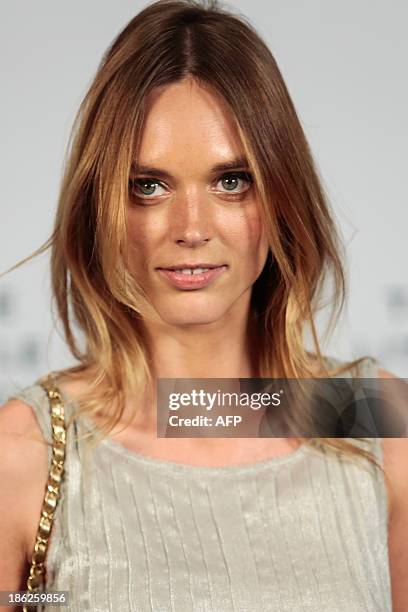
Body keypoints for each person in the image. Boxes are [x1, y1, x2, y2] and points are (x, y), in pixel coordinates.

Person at [0, 1, 407, 610]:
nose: (192, 228)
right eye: (149, 186)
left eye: (231, 180)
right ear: (101, 205)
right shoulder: (23, 456)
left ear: (282, 194)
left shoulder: (378, 422)